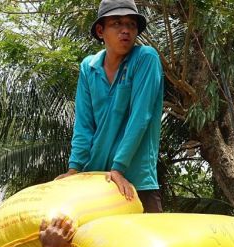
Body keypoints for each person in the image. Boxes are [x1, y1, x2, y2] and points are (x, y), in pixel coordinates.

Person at [55, 0, 165, 213]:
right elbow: (84, 124)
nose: (126, 30)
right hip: (95, 181)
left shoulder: (145, 58)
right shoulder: (89, 67)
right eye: (117, 23)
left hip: (135, 181)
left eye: (131, 24)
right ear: (100, 30)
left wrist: (118, 168)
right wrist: (74, 169)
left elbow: (140, 117)